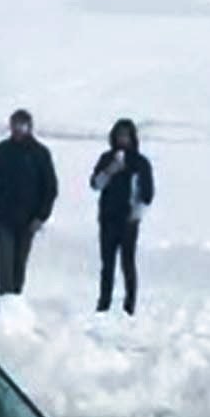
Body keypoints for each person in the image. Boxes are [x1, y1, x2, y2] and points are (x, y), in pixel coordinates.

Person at [0, 108, 58, 295]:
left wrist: (41, 216)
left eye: (22, 125)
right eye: (15, 125)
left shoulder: (40, 154)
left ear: (30, 127)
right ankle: (6, 302)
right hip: (3, 218)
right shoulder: (1, 151)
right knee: (5, 263)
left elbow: (50, 188)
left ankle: (15, 302)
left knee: (19, 266)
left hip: (28, 220)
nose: (18, 129)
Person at [90, 118, 155, 314]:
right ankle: (104, 302)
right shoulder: (107, 159)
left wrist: (136, 212)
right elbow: (95, 184)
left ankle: (129, 304)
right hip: (108, 217)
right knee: (107, 263)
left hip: (129, 220)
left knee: (127, 262)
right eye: (119, 135)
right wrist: (110, 171)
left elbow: (147, 194)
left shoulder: (140, 163)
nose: (123, 139)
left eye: (126, 136)